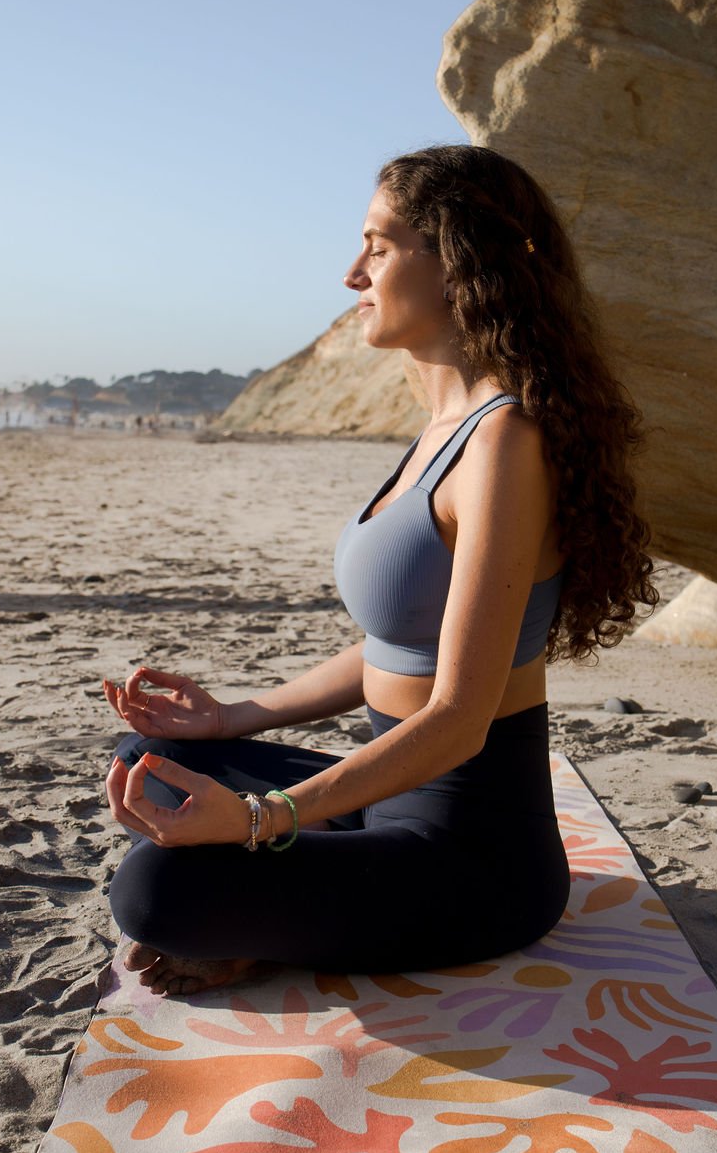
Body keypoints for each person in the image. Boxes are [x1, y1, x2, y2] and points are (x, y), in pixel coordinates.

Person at [102, 144, 656, 996]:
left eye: (380, 246)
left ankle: (282, 917)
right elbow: (396, 647)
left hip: (473, 857)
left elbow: (461, 719)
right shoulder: (443, 429)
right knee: (152, 758)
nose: (353, 273)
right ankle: (297, 905)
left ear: (460, 263)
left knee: (154, 891)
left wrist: (260, 821)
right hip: (384, 803)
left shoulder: (505, 443)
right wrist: (227, 720)